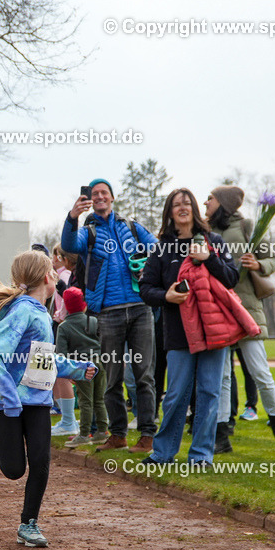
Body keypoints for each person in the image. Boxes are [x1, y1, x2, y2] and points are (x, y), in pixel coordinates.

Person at [0, 250, 97, 547]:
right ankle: (0, 435)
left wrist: (78, 370)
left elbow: (43, 359)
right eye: (53, 272)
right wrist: (9, 396)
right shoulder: (23, 311)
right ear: (48, 277)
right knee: (15, 470)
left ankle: (28, 524)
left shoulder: (42, 313)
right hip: (8, 405)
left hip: (39, 401)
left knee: (41, 461)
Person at [138, 188, 245, 465]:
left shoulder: (214, 241)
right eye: (176, 204)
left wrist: (210, 258)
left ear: (195, 209)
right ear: (170, 212)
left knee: (209, 393)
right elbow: (146, 288)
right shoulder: (162, 248)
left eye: (187, 203)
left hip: (214, 331)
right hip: (178, 332)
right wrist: (167, 296)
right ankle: (163, 453)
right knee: (176, 394)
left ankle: (200, 455)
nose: (182, 207)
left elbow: (232, 277)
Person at [61, 178, 159, 453]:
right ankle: (117, 434)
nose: (100, 196)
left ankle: (147, 435)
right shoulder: (88, 233)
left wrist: (145, 263)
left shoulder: (131, 227)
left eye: (104, 192)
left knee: (144, 376)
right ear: (90, 199)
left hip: (140, 309)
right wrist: (73, 216)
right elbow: (67, 243)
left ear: (112, 198)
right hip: (107, 313)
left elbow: (157, 248)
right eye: (95, 194)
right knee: (112, 377)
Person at [204, 185, 275, 450]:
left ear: (224, 203)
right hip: (218, 310)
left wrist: (258, 264)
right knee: (222, 376)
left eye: (211, 198)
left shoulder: (248, 226)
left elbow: (274, 260)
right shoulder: (205, 231)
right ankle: (221, 436)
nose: (205, 202)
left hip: (247, 310)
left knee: (260, 372)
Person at [57, 287, 108, 448]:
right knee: (99, 398)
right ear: (83, 304)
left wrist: (69, 373)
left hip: (82, 367)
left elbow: (62, 355)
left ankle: (84, 434)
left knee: (86, 401)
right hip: (100, 362)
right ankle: (102, 431)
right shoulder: (93, 321)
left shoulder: (64, 327)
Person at [50, 244, 81, 436]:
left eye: (55, 256)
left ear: (62, 258)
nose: (52, 259)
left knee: (61, 373)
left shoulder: (63, 277)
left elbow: (68, 301)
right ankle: (66, 418)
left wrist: (60, 316)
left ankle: (69, 419)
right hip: (62, 323)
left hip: (64, 324)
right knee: (56, 372)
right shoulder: (61, 276)